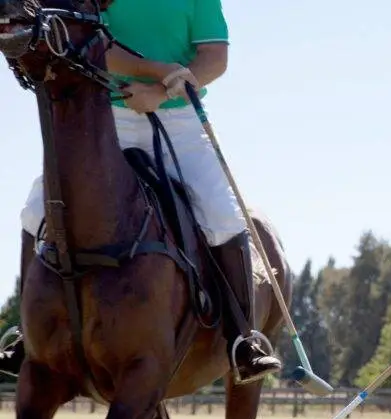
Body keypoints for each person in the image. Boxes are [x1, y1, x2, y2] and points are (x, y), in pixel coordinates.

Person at [0, 0, 282, 384]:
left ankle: (242, 340)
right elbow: (95, 44)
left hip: (180, 121)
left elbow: (214, 57)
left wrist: (163, 93)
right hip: (107, 117)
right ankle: (25, 334)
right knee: (35, 211)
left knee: (223, 217)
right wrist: (156, 72)